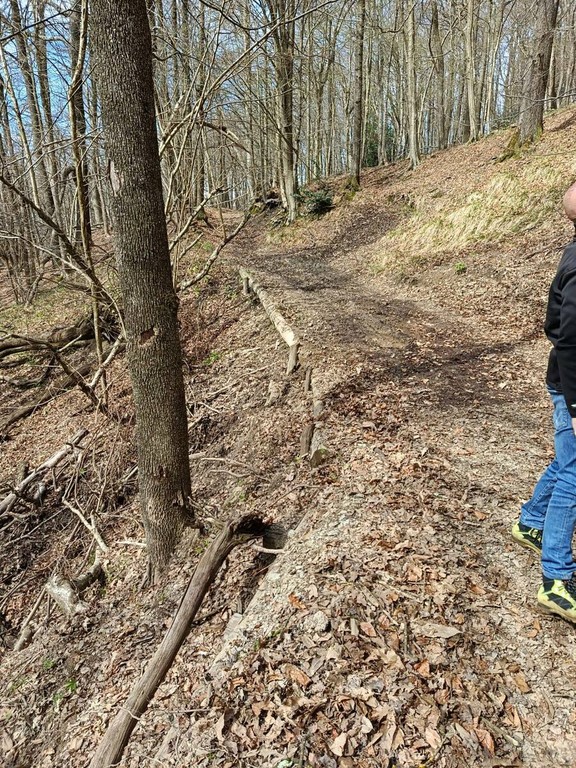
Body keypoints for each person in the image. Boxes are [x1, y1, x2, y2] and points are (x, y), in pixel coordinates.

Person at [512, 182, 576, 623]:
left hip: (567, 384)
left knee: (566, 462)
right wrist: (575, 407)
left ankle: (531, 521)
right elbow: (568, 339)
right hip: (572, 388)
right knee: (575, 474)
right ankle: (556, 579)